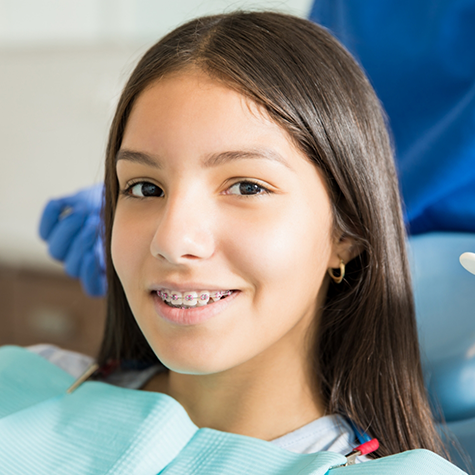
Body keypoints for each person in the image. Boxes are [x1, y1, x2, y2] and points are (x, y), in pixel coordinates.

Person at [19, 10, 462, 469]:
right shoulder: (21, 384)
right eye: (145, 187)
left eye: (247, 186)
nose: (172, 240)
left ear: (346, 234)